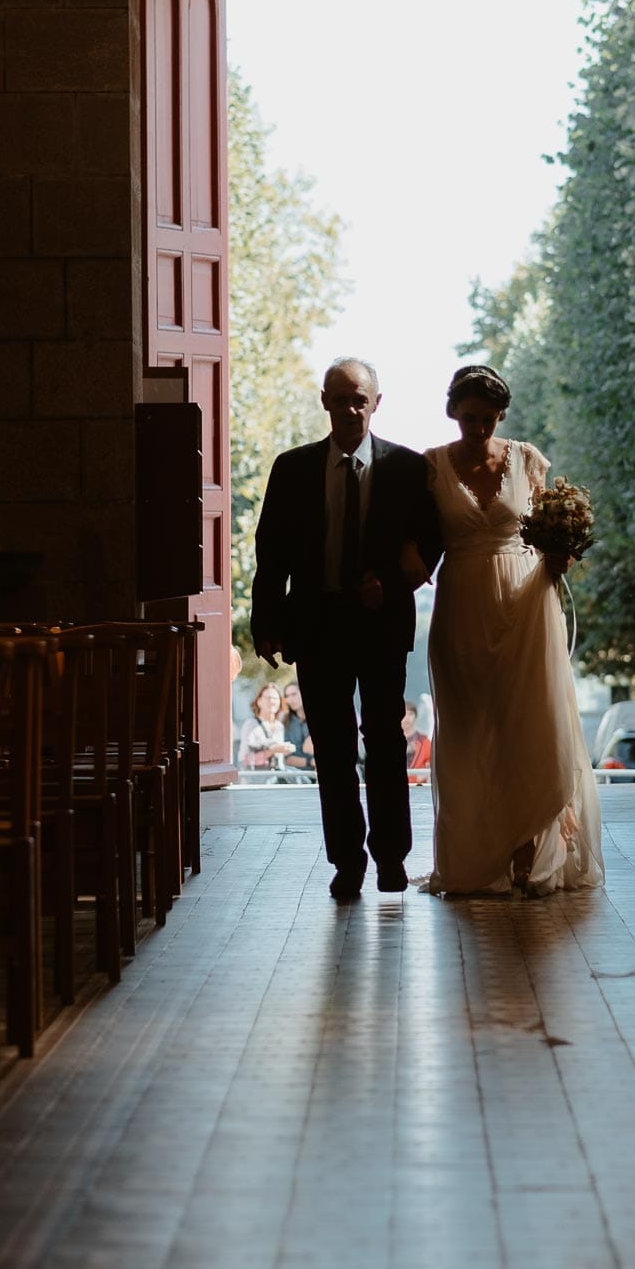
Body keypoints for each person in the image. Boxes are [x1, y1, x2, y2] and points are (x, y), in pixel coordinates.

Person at [409, 364, 604, 896]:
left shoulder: (527, 459)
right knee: (469, 729)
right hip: (463, 604)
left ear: (501, 416)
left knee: (528, 725)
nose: (478, 429)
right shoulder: (430, 467)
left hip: (526, 600)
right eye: (469, 418)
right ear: (453, 411)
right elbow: (419, 539)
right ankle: (476, 855)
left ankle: (527, 853)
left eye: (489, 419)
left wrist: (559, 555)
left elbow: (545, 528)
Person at [250, 358, 440, 901]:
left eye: (359, 399)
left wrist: (395, 583)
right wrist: (267, 623)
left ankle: (391, 858)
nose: (350, 408)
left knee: (383, 741)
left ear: (377, 402)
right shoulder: (292, 469)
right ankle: (347, 861)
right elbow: (271, 554)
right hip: (317, 624)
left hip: (380, 624)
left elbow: (430, 542)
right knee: (331, 749)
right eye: (339, 399)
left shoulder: (406, 468)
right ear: (324, 402)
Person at [239, 682, 288, 772]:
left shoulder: (279, 726)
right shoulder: (251, 724)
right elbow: (244, 759)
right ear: (259, 701)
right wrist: (272, 750)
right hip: (256, 780)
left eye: (276, 698)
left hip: (276, 778)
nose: (272, 701)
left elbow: (280, 762)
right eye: (268, 698)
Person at [281, 679, 316, 775]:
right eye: (287, 696)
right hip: (295, 775)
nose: (290, 699)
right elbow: (288, 759)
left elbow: (309, 747)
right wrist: (310, 761)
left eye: (294, 694)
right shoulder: (285, 722)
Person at [402, 701, 431, 784]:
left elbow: (430, 766)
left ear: (415, 716)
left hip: (418, 788)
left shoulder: (424, 742)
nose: (407, 718)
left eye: (410, 714)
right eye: (404, 714)